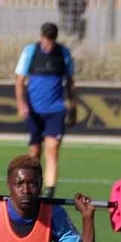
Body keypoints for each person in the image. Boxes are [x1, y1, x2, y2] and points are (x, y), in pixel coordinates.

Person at [15, 23, 76, 197]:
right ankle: (34, 186)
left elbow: (70, 82)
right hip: (33, 110)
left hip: (55, 110)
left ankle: (49, 193)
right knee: (34, 151)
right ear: (41, 37)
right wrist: (21, 103)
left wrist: (72, 105)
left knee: (53, 148)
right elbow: (19, 80)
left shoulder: (63, 54)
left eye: (51, 42)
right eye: (45, 41)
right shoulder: (30, 52)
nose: (47, 45)